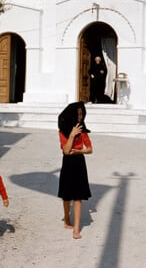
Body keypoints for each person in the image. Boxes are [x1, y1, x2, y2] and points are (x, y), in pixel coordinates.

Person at [57, 101, 93, 239]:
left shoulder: (82, 130)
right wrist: (72, 135)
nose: (80, 116)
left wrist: (78, 151)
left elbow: (90, 149)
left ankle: (76, 229)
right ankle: (66, 218)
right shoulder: (63, 131)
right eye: (78, 114)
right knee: (67, 196)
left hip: (79, 162)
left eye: (82, 114)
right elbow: (66, 151)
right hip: (67, 163)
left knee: (78, 196)